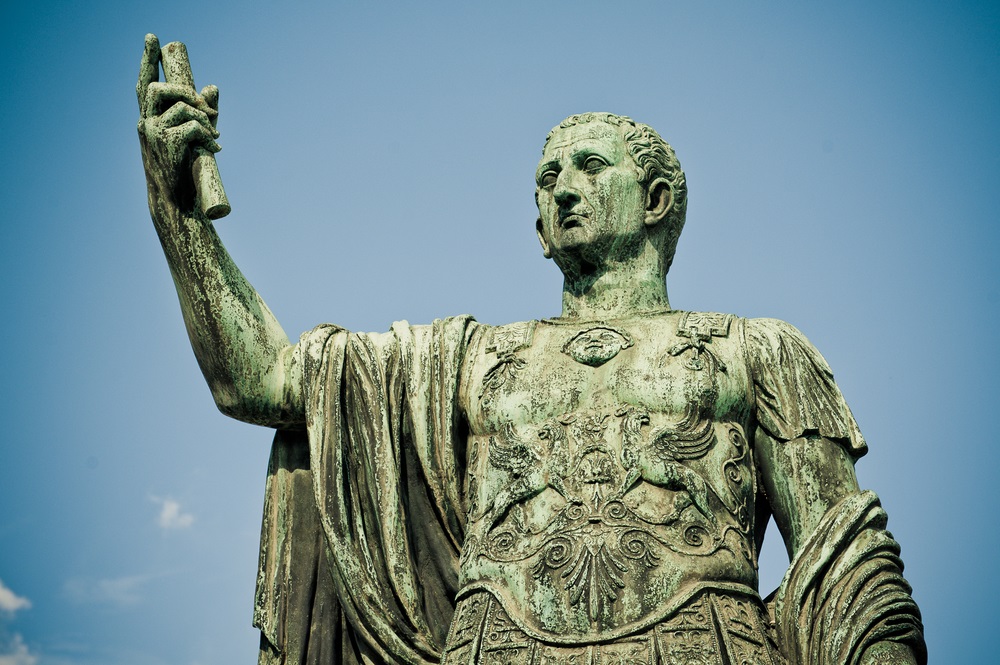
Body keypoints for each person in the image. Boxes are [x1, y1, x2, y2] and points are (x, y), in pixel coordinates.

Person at [137, 34, 925, 665]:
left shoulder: (755, 349)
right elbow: (262, 381)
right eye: (548, 178)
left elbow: (843, 560)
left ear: (655, 201)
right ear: (538, 227)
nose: (562, 187)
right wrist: (179, 213)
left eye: (588, 167)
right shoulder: (466, 359)